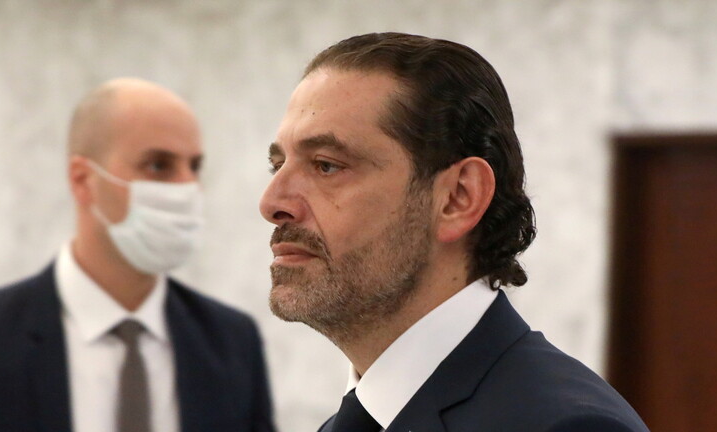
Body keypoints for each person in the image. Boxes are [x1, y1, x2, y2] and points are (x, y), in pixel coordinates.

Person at [259, 33, 648, 432]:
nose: (271, 203)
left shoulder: (566, 426)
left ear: (458, 197)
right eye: (278, 165)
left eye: (326, 165)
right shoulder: (351, 423)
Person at [0, 78, 275, 432]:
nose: (188, 187)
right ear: (83, 180)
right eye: (158, 166)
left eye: (194, 167)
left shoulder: (232, 343)